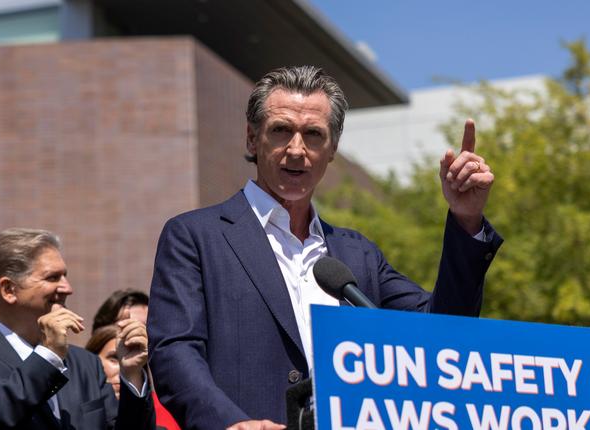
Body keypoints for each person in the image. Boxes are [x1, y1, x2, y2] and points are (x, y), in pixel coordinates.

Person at [147, 66, 504, 429]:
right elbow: (174, 352)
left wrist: (465, 220)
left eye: (314, 134)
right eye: (281, 131)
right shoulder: (195, 237)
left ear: (332, 149)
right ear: (252, 139)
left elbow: (441, 336)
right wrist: (229, 424)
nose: (297, 149)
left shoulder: (357, 255)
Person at [0, 228, 155, 429]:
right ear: (9, 290)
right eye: (53, 277)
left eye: (65, 276)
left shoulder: (86, 364)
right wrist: (47, 358)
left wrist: (132, 375)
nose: (67, 288)